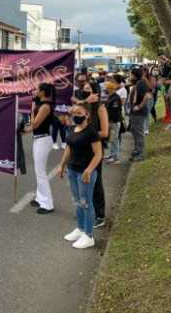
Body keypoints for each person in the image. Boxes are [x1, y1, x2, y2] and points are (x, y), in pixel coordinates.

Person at [58, 103, 103, 249]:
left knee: (86, 203)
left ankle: (89, 236)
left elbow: (98, 154)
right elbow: (68, 148)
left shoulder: (91, 133)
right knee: (77, 201)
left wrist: (89, 170)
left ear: (87, 115)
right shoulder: (72, 129)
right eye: (74, 113)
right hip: (72, 170)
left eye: (79, 113)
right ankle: (80, 228)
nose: (76, 115)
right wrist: (62, 165)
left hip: (85, 174)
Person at [26, 83, 56, 214]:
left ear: (43, 92)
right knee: (38, 170)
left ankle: (48, 204)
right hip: (39, 139)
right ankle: (40, 198)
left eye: (37, 89)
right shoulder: (41, 104)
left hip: (43, 140)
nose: (35, 91)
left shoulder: (45, 106)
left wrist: (32, 111)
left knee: (41, 172)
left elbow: (35, 124)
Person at [83, 81, 109, 228]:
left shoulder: (100, 108)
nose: (86, 91)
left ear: (96, 92)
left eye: (88, 89)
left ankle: (100, 215)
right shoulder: (83, 108)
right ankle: (88, 211)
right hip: (82, 149)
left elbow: (105, 132)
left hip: (95, 150)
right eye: (84, 89)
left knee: (96, 182)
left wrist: (87, 134)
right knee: (84, 182)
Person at [128, 68, 152, 162]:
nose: (129, 76)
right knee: (134, 130)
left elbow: (147, 96)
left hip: (138, 112)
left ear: (134, 75)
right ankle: (137, 150)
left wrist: (139, 106)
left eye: (130, 74)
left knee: (138, 132)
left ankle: (140, 153)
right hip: (135, 111)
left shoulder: (140, 83)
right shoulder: (138, 83)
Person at [104, 78, 123, 165]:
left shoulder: (115, 98)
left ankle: (115, 158)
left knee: (114, 140)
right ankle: (112, 155)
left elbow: (114, 112)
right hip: (110, 122)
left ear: (110, 89)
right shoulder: (111, 97)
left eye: (107, 88)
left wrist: (109, 120)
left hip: (114, 122)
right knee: (111, 139)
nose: (106, 90)